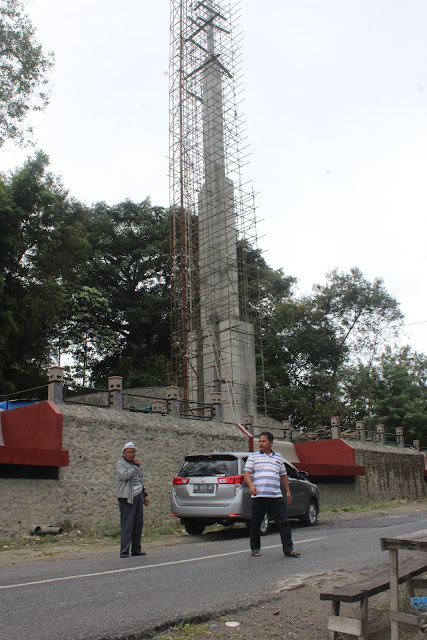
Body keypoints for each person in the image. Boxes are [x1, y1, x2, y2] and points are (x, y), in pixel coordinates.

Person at [244, 431, 300, 558]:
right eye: (260, 441)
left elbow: (283, 475)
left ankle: (288, 549)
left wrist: (288, 490)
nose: (261, 443)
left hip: (275, 496)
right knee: (256, 523)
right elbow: (247, 473)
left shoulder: (278, 457)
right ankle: (255, 548)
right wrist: (251, 486)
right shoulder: (253, 457)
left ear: (271, 443)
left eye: (264, 441)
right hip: (259, 496)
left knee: (283, 522)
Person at [116, 441, 150, 558]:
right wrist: (135, 467)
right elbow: (124, 476)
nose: (131, 454)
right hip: (126, 497)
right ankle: (124, 550)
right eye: (129, 452)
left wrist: (145, 495)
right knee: (127, 524)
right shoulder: (120, 464)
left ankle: (136, 549)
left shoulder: (136, 465)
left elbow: (140, 480)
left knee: (138, 524)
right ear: (124, 453)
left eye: (133, 452)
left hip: (138, 495)